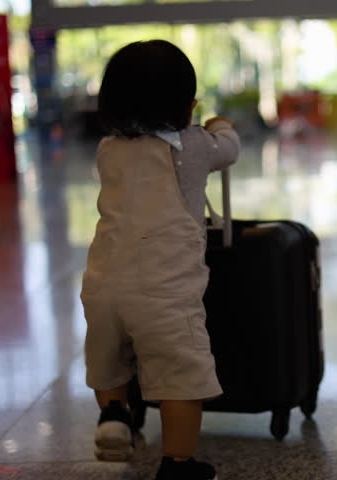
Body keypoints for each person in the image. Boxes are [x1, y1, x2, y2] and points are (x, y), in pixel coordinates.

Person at [80, 39, 239, 480]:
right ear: (187, 107)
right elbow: (229, 148)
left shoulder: (108, 149)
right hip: (164, 292)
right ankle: (178, 464)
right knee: (180, 376)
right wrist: (221, 124)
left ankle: (114, 414)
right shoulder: (193, 146)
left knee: (108, 359)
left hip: (102, 284)